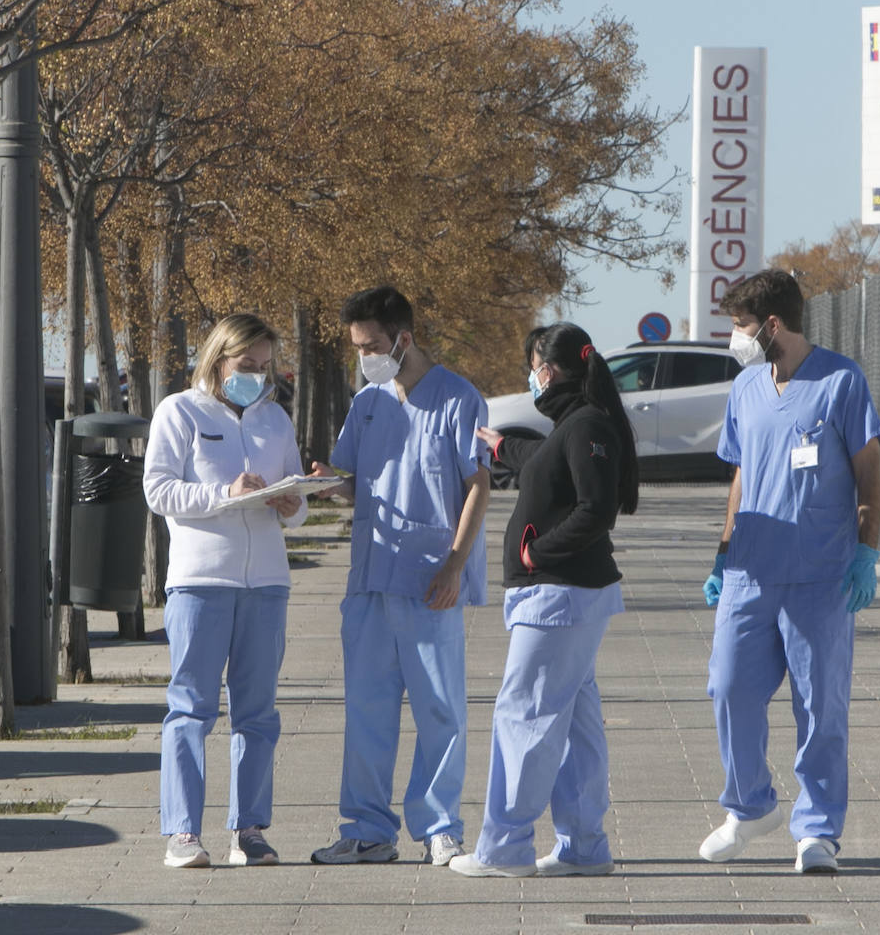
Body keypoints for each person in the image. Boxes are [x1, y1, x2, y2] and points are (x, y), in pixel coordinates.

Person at [697, 269, 880, 875]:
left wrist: (865, 551)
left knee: (818, 707)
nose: (736, 339)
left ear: (772, 325)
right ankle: (750, 806)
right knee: (728, 688)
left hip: (819, 576)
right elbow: (741, 474)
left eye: (742, 327)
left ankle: (818, 830)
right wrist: (723, 555)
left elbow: (869, 475)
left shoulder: (840, 381)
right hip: (751, 571)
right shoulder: (747, 388)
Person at [309, 285, 490, 868]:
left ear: (404, 338)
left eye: (373, 345)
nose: (365, 356)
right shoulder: (368, 403)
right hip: (369, 583)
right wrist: (324, 484)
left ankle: (439, 826)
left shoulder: (459, 399)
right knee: (367, 709)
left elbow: (476, 486)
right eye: (358, 347)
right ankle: (367, 830)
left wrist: (455, 565)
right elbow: (360, 483)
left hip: (430, 582)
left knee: (441, 709)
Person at [449, 321, 638, 878]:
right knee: (575, 722)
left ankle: (504, 848)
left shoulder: (585, 427)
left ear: (547, 370)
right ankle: (584, 846)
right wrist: (502, 446)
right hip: (567, 595)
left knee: (524, 715)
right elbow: (544, 462)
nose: (530, 378)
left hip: (558, 595)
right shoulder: (576, 425)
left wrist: (537, 554)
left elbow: (595, 508)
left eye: (532, 367)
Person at [143, 312, 307, 869]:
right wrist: (222, 493)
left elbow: (296, 498)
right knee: (191, 707)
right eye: (247, 366)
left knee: (258, 712)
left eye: (265, 367)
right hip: (200, 580)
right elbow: (158, 489)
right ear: (217, 360)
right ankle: (183, 834)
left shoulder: (275, 420)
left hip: (266, 582)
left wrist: (294, 503)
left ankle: (250, 830)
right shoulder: (180, 410)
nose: (257, 377)